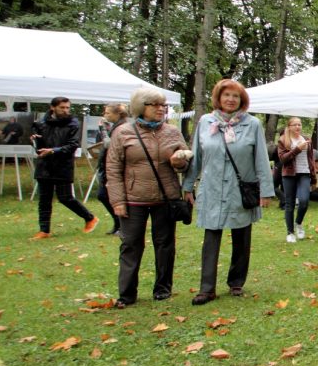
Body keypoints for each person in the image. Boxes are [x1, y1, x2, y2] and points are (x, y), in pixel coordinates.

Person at [182, 79, 274, 305]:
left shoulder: (252, 124)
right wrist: (187, 185)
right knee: (211, 237)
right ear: (218, 98)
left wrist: (266, 191)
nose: (231, 99)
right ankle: (207, 289)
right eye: (227, 95)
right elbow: (196, 157)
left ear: (242, 100)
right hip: (212, 189)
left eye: (235, 96)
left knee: (242, 236)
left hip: (239, 190)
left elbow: (261, 159)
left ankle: (236, 282)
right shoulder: (205, 122)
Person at [105, 89, 190, 307]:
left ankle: (163, 289)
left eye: (163, 105)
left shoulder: (172, 132)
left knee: (165, 245)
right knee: (131, 245)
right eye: (155, 105)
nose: (161, 109)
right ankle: (127, 293)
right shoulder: (123, 132)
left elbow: (186, 162)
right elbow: (113, 168)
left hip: (165, 197)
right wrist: (117, 201)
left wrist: (180, 161)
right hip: (133, 199)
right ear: (140, 107)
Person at [30, 96, 98, 239]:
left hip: (63, 165)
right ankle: (44, 230)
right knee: (44, 199)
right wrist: (34, 141)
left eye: (67, 107)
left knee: (65, 197)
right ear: (52, 107)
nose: (66, 110)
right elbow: (39, 148)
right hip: (44, 165)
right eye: (62, 107)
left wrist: (54, 151)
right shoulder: (41, 123)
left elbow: (73, 145)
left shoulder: (73, 124)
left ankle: (90, 218)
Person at [277, 117, 318, 243]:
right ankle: (290, 232)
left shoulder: (306, 139)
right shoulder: (283, 139)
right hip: (289, 174)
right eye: (295, 125)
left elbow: (311, 159)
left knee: (304, 201)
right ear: (289, 127)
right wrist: (297, 149)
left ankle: (298, 223)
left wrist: (314, 178)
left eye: (299, 124)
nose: (297, 127)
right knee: (289, 204)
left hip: (304, 173)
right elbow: (283, 159)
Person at [93, 103, 129, 236]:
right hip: (107, 166)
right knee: (103, 195)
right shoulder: (116, 126)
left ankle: (122, 225)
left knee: (107, 195)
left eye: (108, 113)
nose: (105, 115)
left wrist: (102, 129)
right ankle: (118, 223)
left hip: (116, 167)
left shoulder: (123, 127)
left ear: (118, 114)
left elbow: (110, 144)